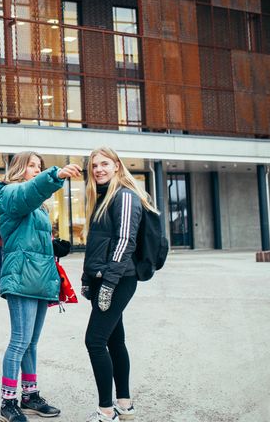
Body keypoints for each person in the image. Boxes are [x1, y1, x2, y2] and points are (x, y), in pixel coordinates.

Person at [0, 152, 82, 422]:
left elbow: (28, 234)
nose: (37, 170)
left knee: (31, 344)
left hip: (39, 275)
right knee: (19, 341)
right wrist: (54, 175)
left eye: (40, 166)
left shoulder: (40, 206)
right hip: (21, 277)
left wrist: (52, 246)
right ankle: (8, 402)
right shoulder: (8, 193)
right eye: (32, 166)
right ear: (20, 168)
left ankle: (30, 396)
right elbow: (26, 194)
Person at [81, 147, 154, 422]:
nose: (98, 169)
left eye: (104, 164)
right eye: (94, 165)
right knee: (114, 339)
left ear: (117, 166)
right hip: (104, 278)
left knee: (94, 341)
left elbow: (125, 243)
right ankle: (124, 404)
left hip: (119, 279)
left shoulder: (124, 195)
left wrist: (109, 284)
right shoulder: (103, 197)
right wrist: (87, 278)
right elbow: (96, 244)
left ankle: (106, 411)